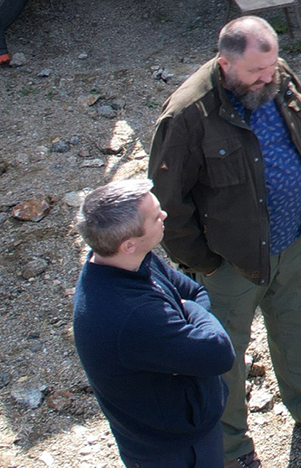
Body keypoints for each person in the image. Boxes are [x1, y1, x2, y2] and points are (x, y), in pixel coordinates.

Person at [148, 17, 301, 468]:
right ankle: (232, 450)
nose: (269, 78)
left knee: (298, 329)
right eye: (256, 73)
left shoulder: (277, 76)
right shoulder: (188, 114)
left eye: (271, 68)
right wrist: (205, 264)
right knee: (223, 357)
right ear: (225, 64)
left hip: (293, 244)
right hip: (231, 265)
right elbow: (167, 205)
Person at [71, 178, 236, 468]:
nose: (165, 216)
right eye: (155, 216)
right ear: (129, 244)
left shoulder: (128, 260)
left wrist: (186, 314)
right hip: (172, 450)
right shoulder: (131, 316)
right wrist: (190, 313)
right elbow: (219, 353)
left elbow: (194, 291)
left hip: (188, 426)